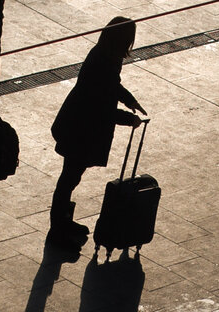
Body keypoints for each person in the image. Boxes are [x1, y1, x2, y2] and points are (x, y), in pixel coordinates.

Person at [49, 17, 147, 249]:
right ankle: (57, 230)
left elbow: (111, 87)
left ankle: (62, 223)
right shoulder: (105, 62)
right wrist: (128, 119)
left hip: (80, 126)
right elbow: (101, 108)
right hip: (81, 130)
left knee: (70, 178)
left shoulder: (104, 55)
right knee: (68, 179)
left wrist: (129, 100)